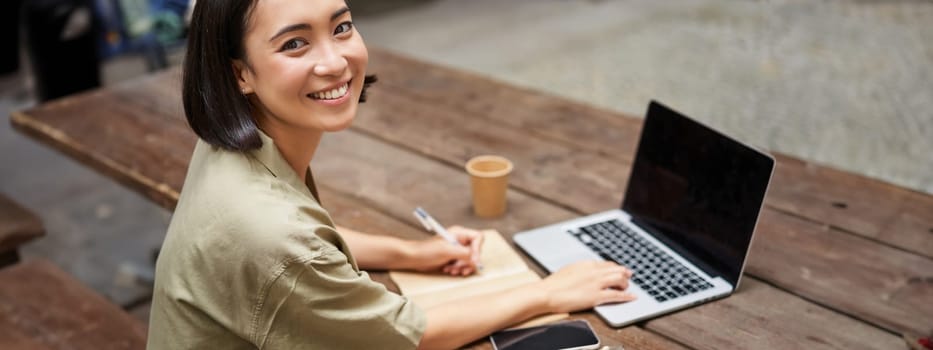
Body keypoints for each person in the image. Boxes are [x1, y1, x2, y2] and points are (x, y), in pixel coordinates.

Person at [146, 0, 637, 349]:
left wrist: (415, 253)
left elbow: (308, 242)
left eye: (341, 27)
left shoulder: (226, 147)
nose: (336, 61)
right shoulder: (272, 236)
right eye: (295, 43)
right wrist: (548, 292)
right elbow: (407, 336)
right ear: (240, 74)